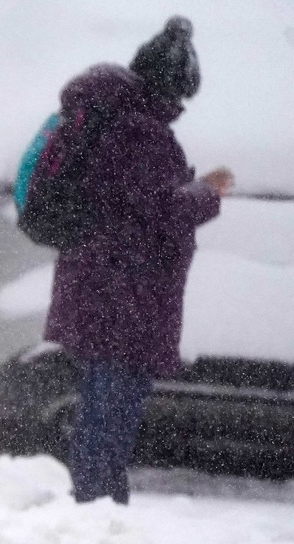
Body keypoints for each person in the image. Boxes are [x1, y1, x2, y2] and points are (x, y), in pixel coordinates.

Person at [42, 16, 233, 503]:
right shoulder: (139, 132)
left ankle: (100, 497)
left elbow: (132, 204)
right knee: (111, 408)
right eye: (181, 96)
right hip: (125, 295)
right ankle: (97, 502)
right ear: (170, 88)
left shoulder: (110, 119)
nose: (180, 108)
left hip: (104, 288)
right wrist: (208, 192)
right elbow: (160, 210)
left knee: (104, 404)